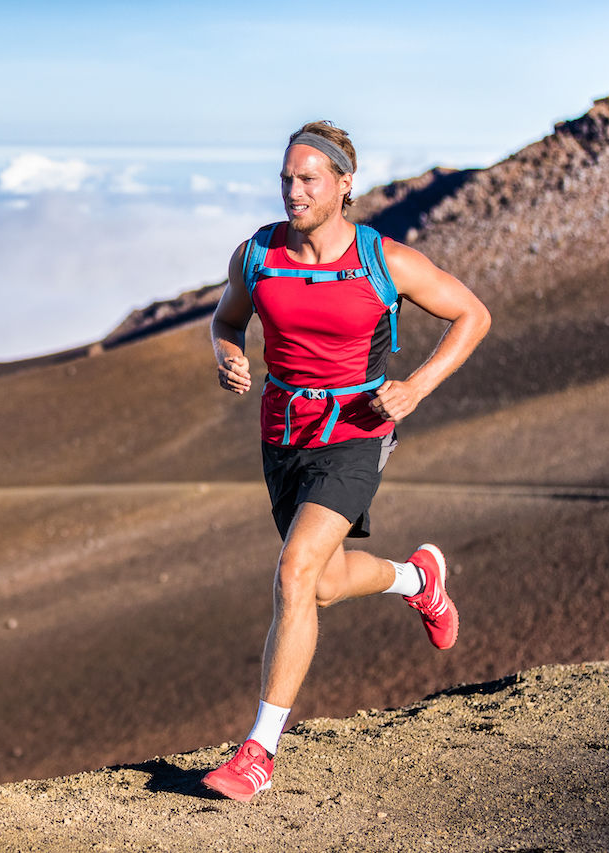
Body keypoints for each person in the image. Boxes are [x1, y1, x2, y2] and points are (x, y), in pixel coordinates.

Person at [201, 120, 491, 802]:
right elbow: (226, 320)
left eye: (307, 179)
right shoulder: (258, 254)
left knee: (294, 571)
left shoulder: (382, 259)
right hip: (283, 434)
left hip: (358, 429)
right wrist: (228, 355)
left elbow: (472, 314)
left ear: (343, 185)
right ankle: (415, 577)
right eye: (285, 178)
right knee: (323, 582)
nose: (292, 190)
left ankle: (258, 753)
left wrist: (416, 386)